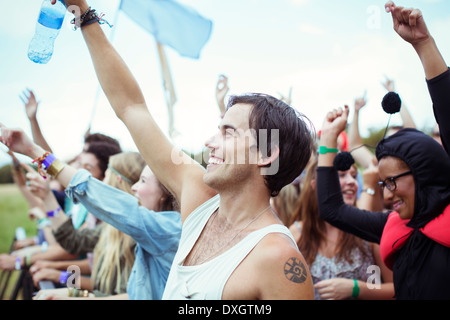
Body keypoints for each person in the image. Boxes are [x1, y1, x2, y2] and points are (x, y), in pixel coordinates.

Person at [30, 0, 316, 300]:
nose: (209, 142)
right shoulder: (198, 199)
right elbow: (131, 107)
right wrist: (84, 13)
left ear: (267, 153)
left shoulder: (279, 259)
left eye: (228, 133)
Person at [314, 1, 450, 300]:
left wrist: (424, 44)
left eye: (392, 182)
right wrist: (328, 142)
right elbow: (331, 209)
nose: (386, 196)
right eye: (382, 184)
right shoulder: (392, 224)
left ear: (423, 173)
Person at [0, 128, 181, 300]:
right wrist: (74, 291)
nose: (134, 187)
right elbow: (76, 244)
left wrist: (35, 151)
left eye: (143, 181)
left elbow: (74, 252)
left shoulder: (159, 230)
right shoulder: (118, 229)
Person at [31, 152, 145, 297]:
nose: (102, 182)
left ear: (118, 181)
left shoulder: (137, 239)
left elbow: (124, 295)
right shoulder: (109, 229)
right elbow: (73, 241)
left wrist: (75, 294)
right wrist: (46, 197)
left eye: (107, 176)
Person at [289, 158, 394, 300]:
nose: (352, 181)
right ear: (316, 186)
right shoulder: (296, 235)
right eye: (341, 175)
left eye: (354, 176)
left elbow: (395, 289)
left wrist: (357, 288)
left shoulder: (366, 230)